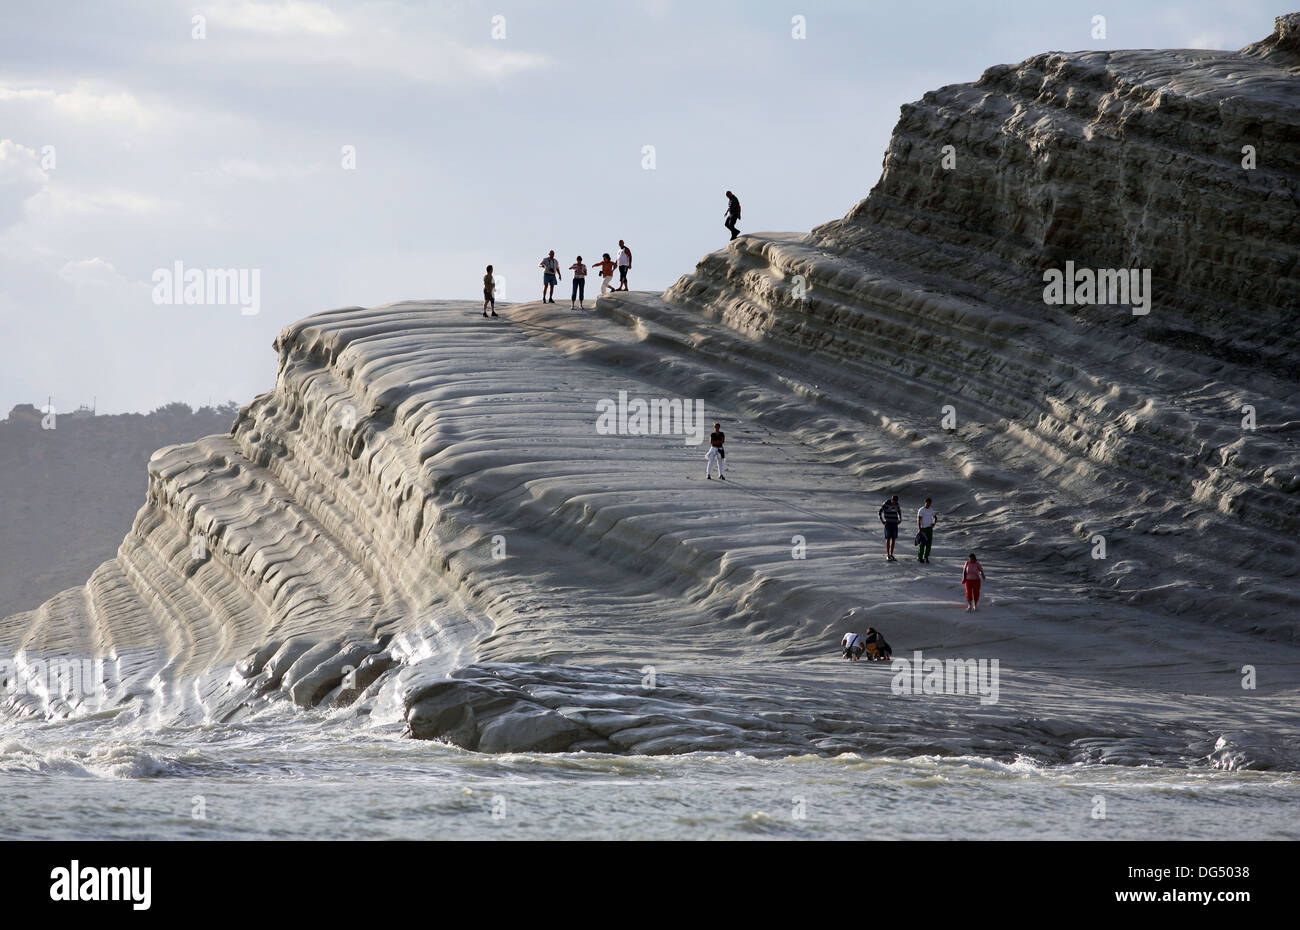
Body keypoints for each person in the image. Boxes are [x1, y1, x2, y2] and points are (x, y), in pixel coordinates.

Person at [878, 494, 902, 561]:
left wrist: (900, 519)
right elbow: (880, 512)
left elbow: (899, 512)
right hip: (888, 523)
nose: (895, 503)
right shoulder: (886, 503)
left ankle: (891, 554)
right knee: (888, 539)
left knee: (894, 539)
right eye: (894, 501)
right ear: (891, 500)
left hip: (895, 523)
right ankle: (888, 555)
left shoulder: (897, 504)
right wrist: (882, 520)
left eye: (896, 501)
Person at [916, 497, 937, 563]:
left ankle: (926, 557)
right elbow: (918, 520)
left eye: (929, 503)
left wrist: (934, 523)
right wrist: (919, 529)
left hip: (929, 528)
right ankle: (920, 557)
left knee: (929, 544)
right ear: (925, 503)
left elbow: (935, 517)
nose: (928, 505)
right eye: (927, 503)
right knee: (922, 543)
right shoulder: (921, 510)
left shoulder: (931, 509)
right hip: (923, 528)